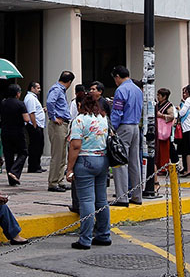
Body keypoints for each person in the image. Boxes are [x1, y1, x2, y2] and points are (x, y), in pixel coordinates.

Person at [66, 94, 111, 250]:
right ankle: (104, 234)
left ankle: (85, 239)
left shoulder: (79, 120)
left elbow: (75, 146)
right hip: (102, 160)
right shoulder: (103, 118)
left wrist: (69, 168)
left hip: (85, 161)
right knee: (101, 200)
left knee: (86, 201)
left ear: (80, 105)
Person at [111, 66, 143, 206]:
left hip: (124, 127)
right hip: (136, 126)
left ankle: (122, 197)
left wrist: (112, 128)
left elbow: (117, 112)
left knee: (120, 162)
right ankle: (137, 196)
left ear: (117, 76)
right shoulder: (137, 89)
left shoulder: (121, 90)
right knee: (135, 162)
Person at [46, 71, 75, 192]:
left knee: (62, 154)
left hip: (62, 124)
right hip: (58, 124)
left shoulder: (59, 89)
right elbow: (50, 102)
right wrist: (53, 117)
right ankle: (53, 182)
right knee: (57, 155)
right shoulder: (57, 89)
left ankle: (59, 180)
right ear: (69, 82)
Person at [0, 84, 30, 186]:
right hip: (17, 131)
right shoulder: (20, 104)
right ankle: (14, 171)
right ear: (18, 93)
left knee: (8, 155)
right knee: (23, 152)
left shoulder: (3, 103)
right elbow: (26, 119)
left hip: (5, 131)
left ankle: (11, 179)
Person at [23, 82, 45, 173]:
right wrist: (35, 125)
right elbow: (31, 112)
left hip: (37, 124)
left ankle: (37, 165)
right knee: (35, 146)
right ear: (32, 88)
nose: (39, 90)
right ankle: (33, 166)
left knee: (39, 146)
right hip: (34, 125)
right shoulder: (30, 98)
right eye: (38, 88)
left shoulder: (33, 98)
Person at [155, 88, 178, 176]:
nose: (158, 97)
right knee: (158, 150)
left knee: (164, 150)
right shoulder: (158, 104)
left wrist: (162, 116)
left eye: (159, 95)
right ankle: (159, 166)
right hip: (158, 129)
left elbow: (172, 116)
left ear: (164, 96)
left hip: (164, 131)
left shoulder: (169, 106)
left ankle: (164, 168)